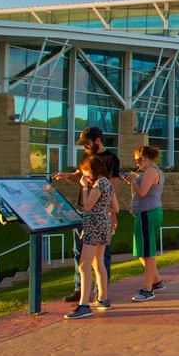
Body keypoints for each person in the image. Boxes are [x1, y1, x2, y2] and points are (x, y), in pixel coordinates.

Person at [52, 126, 121, 303]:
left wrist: (85, 188)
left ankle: (90, 298)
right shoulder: (89, 161)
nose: (85, 148)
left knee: (90, 262)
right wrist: (68, 176)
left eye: (87, 143)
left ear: (97, 140)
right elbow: (79, 175)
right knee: (85, 256)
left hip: (94, 218)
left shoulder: (110, 161)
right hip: (92, 216)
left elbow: (105, 194)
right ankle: (88, 292)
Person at [65, 155, 118, 319]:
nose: (84, 175)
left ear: (93, 169)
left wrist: (85, 188)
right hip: (103, 225)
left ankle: (84, 305)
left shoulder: (99, 184)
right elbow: (116, 207)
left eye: (85, 171)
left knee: (83, 265)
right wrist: (103, 208)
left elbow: (87, 206)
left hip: (94, 226)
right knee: (98, 262)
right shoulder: (108, 184)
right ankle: (102, 298)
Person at [128, 145, 165, 302]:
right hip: (146, 213)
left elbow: (142, 192)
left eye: (137, 160)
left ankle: (148, 289)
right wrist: (134, 180)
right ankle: (156, 281)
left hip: (148, 214)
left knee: (148, 253)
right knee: (143, 252)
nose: (137, 164)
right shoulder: (153, 171)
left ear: (143, 158)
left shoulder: (151, 171)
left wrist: (133, 182)